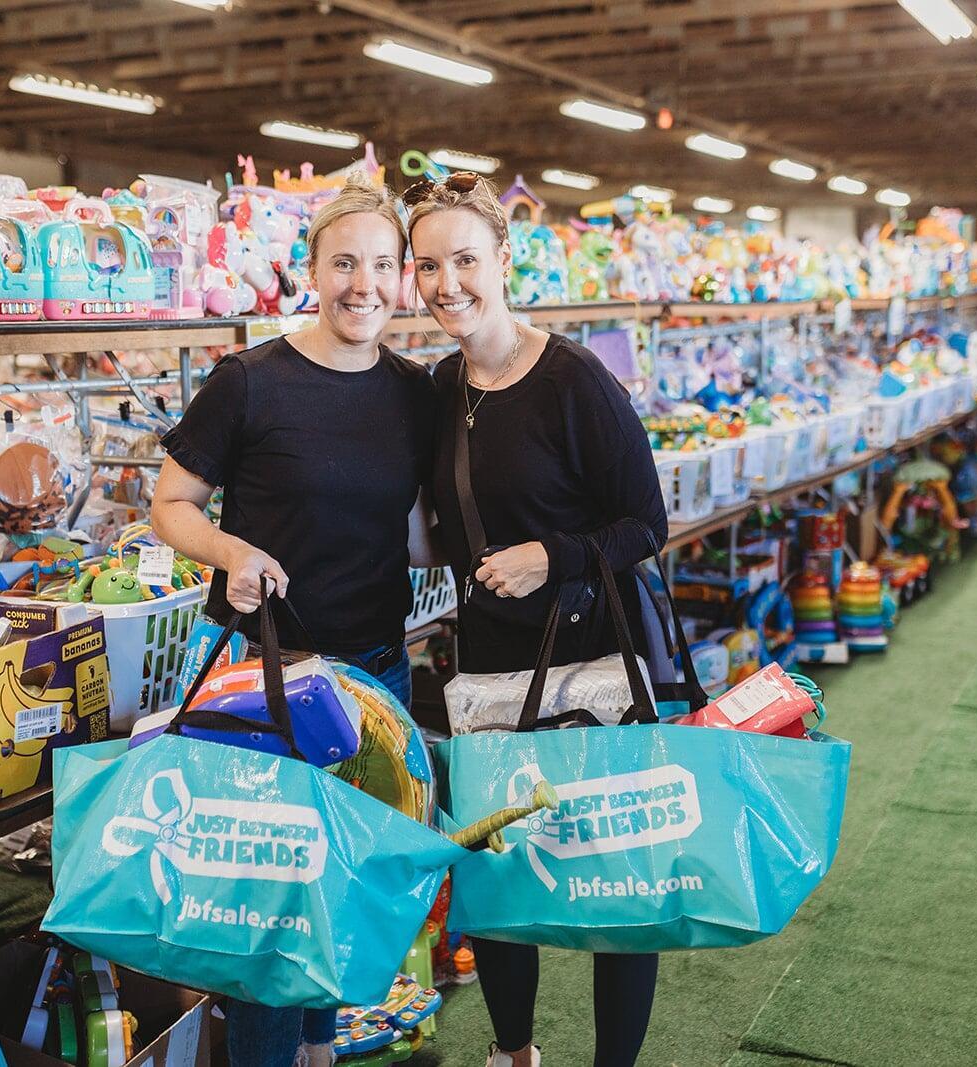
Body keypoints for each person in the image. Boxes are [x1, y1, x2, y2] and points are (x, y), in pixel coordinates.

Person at [150, 176, 436, 1067]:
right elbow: (172, 503)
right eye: (344, 261)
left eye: (381, 266)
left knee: (340, 885)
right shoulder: (251, 380)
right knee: (270, 908)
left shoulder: (416, 392)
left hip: (376, 675)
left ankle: (319, 1051)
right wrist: (232, 553)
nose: (363, 283)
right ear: (308, 269)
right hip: (265, 677)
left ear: (402, 280)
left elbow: (425, 527)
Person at [405, 172, 667, 1067]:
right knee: (499, 866)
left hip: (592, 657)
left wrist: (549, 555)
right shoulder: (440, 388)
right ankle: (512, 1052)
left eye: (466, 259)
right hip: (486, 664)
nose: (448, 284)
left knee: (614, 878)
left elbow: (645, 523)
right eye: (429, 264)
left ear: (504, 259)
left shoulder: (574, 381)